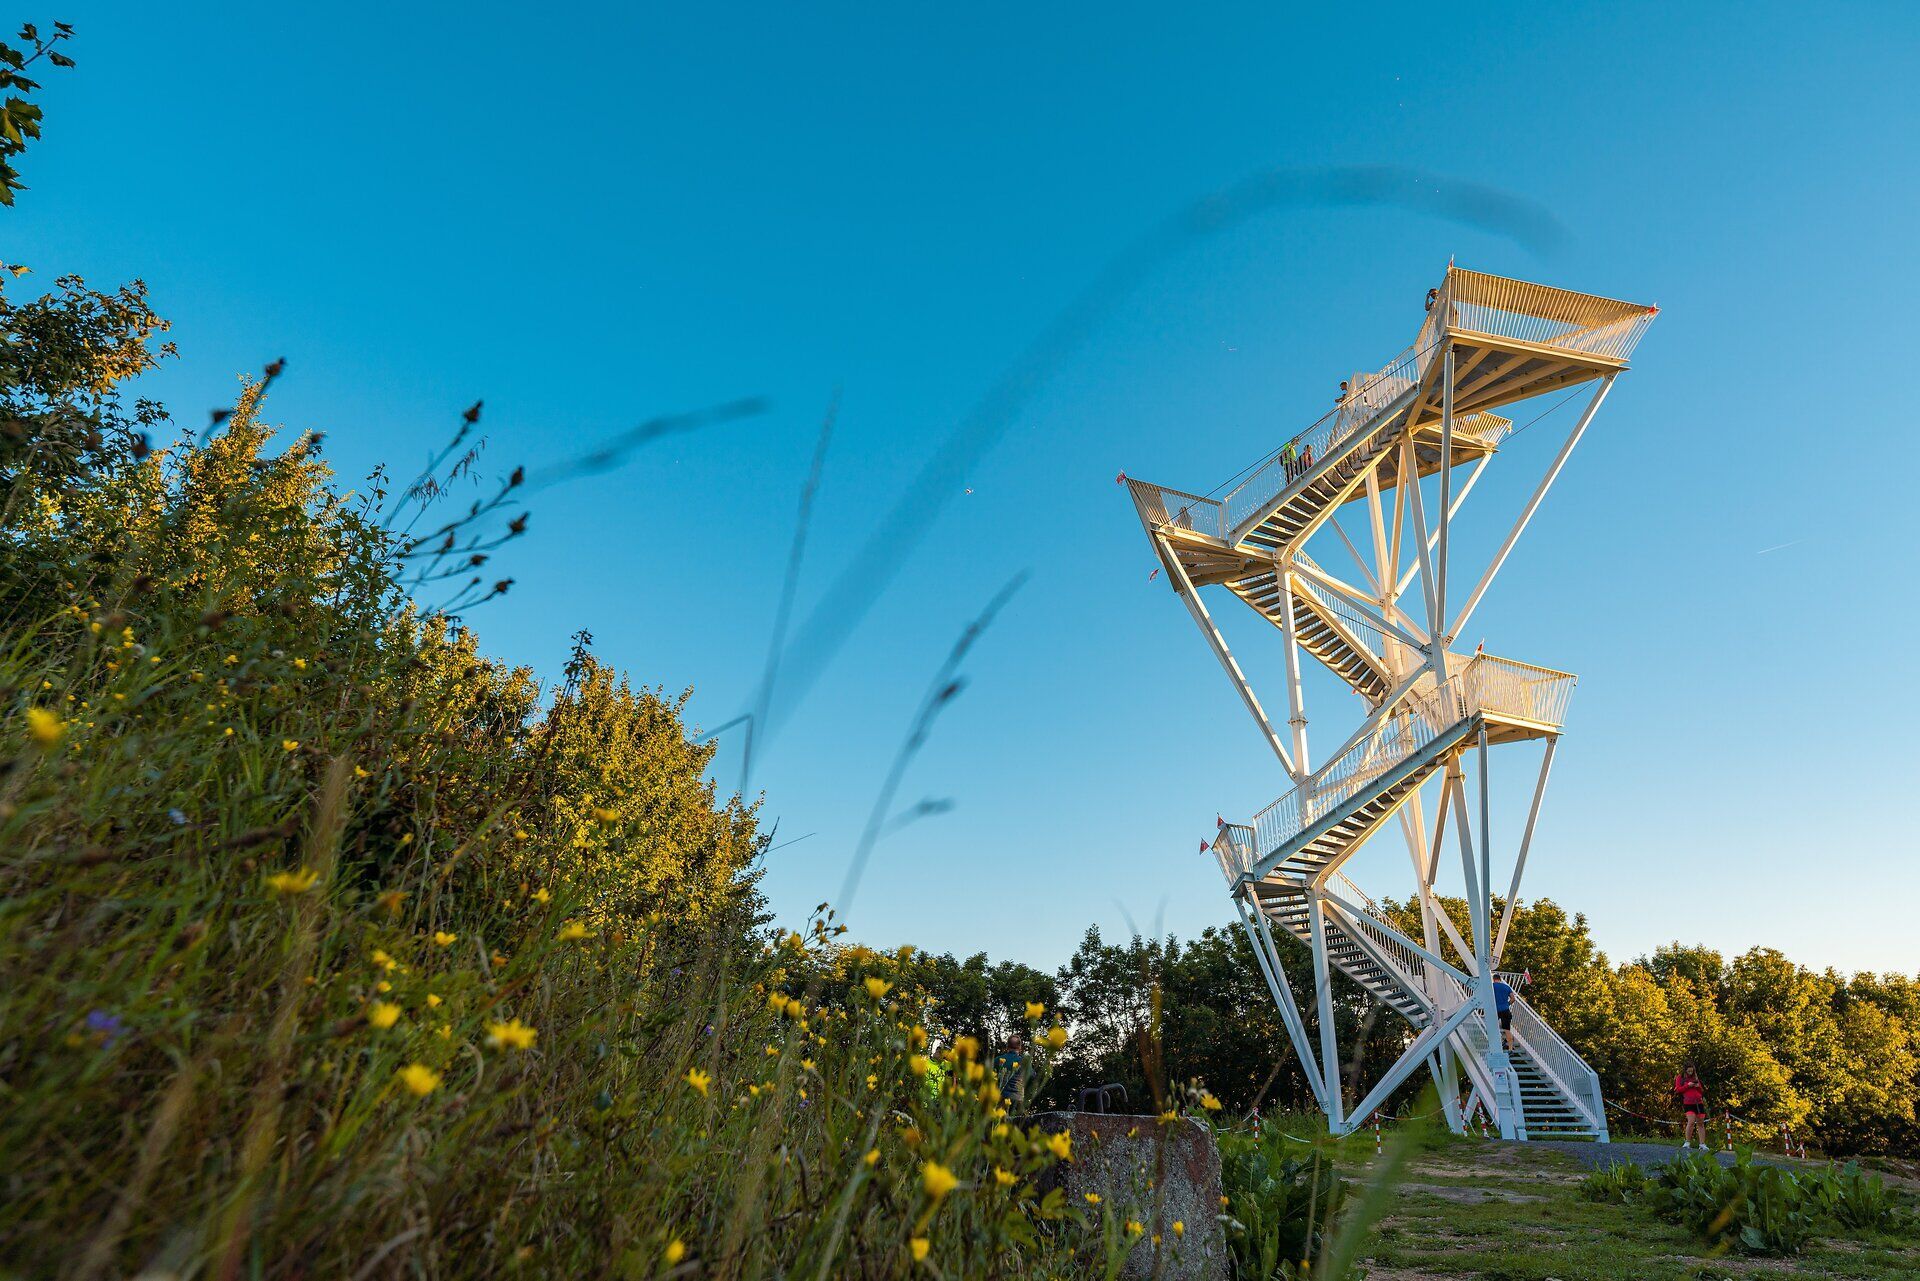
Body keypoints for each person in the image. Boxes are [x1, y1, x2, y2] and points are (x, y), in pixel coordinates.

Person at [1672, 1062, 1709, 1150]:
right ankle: (1687, 1142)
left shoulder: (1695, 1077)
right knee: (1691, 1121)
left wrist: (1697, 1086)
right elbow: (1678, 1090)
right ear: (1685, 1070)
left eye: (1691, 1071)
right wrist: (1687, 1085)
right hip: (1688, 1103)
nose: (1690, 1072)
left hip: (1698, 1103)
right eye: (1688, 1071)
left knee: (1701, 1123)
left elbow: (1701, 1091)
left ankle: (1702, 1144)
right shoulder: (1680, 1078)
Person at [995, 1033, 1027, 1110]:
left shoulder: (997, 1060)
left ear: (1007, 1046)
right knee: (1019, 1121)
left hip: (1000, 1099)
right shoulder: (1023, 1061)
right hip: (1017, 1100)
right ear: (1020, 1047)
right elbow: (1033, 1076)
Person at [1492, 975, 1515, 1050]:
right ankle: (1510, 1049)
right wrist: (1507, 1004)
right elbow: (1513, 999)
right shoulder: (1506, 987)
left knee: (1492, 1028)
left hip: (1495, 1010)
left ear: (1493, 979)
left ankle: (1499, 1042)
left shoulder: (1492, 986)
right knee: (1507, 1029)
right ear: (1500, 979)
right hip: (1505, 1010)